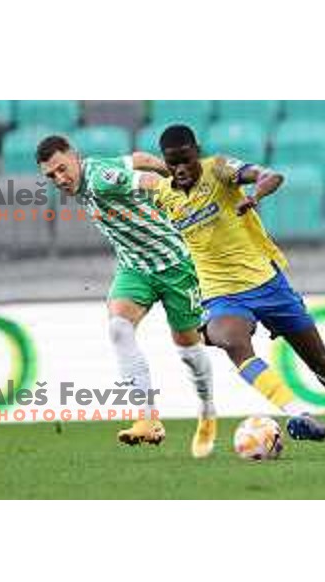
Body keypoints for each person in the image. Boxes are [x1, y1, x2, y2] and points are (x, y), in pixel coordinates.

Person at [152, 124, 325, 454]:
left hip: (268, 284)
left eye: (185, 159)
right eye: (172, 163)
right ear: (165, 162)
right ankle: (297, 413)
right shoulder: (163, 194)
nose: (180, 169)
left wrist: (255, 195)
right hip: (222, 293)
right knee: (232, 341)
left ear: (196, 151)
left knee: (323, 364)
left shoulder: (219, 169)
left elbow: (271, 174)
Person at [36, 135, 217, 457]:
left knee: (189, 347)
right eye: (51, 176)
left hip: (176, 265)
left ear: (75, 158)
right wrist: (166, 167)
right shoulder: (90, 171)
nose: (59, 179)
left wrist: (182, 187)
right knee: (119, 328)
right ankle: (146, 419)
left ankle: (207, 409)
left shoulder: (100, 179)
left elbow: (144, 179)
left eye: (62, 169)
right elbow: (139, 158)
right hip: (135, 269)